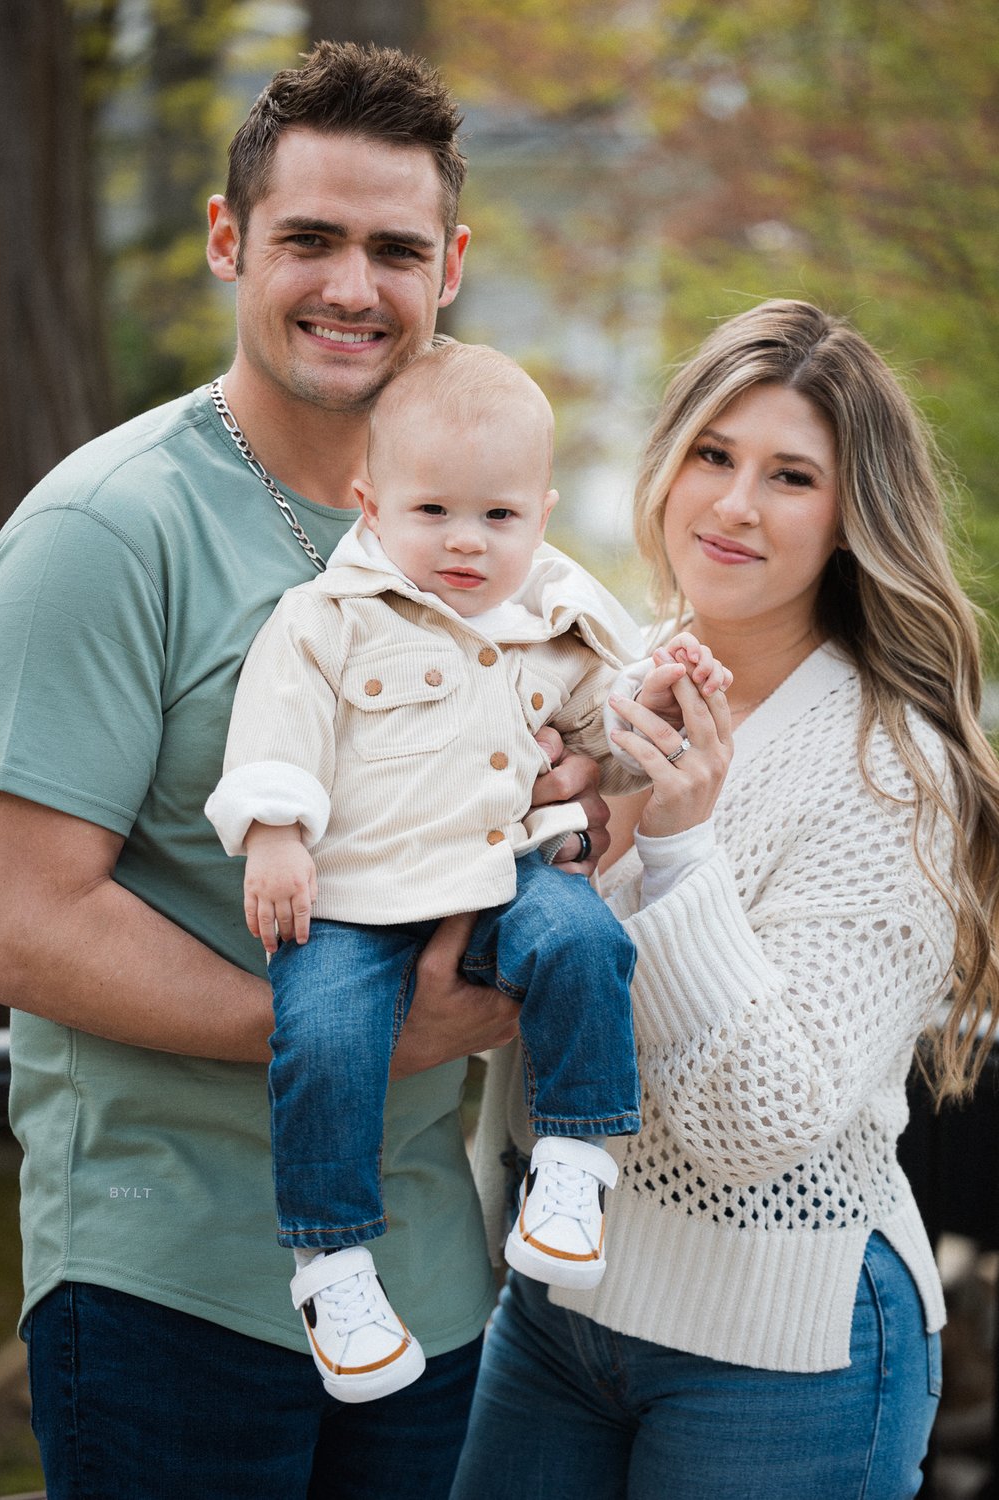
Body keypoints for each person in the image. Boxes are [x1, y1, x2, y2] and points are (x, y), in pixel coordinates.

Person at [0, 42, 615, 1500]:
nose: (355, 284)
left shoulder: (481, 542)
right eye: (310, 239)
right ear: (230, 242)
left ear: (450, 266)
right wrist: (370, 1040)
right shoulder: (105, 530)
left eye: (395, 247)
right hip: (169, 1276)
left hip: (434, 1276)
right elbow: (25, 914)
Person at [452, 299, 999, 1500]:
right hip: (553, 1309)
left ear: (851, 521)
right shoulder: (604, 684)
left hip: (782, 1347)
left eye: (791, 476)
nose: (735, 505)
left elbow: (766, 1119)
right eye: (713, 454)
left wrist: (686, 851)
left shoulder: (891, 772)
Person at [205, 340, 727, 1404]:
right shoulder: (331, 617)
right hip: (358, 896)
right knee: (326, 1034)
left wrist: (663, 694)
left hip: (506, 874)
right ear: (371, 504)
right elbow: (277, 727)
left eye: (496, 517)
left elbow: (611, 739)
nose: (464, 541)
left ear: (537, 514)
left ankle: (575, 1163)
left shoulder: (557, 621)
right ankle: (333, 1263)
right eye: (432, 511)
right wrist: (273, 832)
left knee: (584, 939)